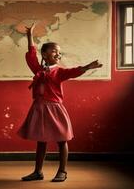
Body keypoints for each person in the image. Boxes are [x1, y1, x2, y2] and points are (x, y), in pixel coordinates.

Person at [17, 23, 102, 182]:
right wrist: (30, 35)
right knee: (41, 141)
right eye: (54, 50)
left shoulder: (60, 72)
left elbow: (73, 72)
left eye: (59, 52)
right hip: (39, 108)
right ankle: (38, 172)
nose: (58, 53)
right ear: (44, 54)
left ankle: (62, 171)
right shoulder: (38, 70)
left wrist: (87, 67)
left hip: (54, 109)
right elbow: (31, 55)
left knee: (62, 140)